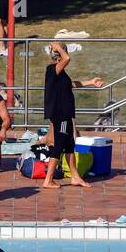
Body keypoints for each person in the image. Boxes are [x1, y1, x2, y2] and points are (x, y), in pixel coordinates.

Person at [41, 42, 104, 191]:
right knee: (60, 145)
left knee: (69, 145)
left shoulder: (61, 73)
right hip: (60, 114)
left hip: (66, 114)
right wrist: (59, 48)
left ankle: (75, 177)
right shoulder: (52, 69)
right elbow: (67, 58)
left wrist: (91, 82)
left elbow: (71, 84)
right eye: (64, 51)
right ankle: (48, 180)